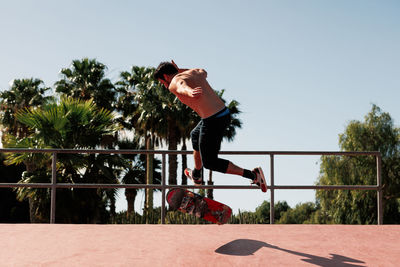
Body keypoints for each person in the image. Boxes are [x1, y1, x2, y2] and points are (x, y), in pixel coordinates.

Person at [154, 61, 267, 192]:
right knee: (194, 135)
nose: (163, 85)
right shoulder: (193, 73)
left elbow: (180, 85)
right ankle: (196, 174)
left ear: (165, 76)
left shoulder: (174, 82)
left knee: (210, 163)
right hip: (222, 113)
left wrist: (189, 91)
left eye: (162, 82)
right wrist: (180, 70)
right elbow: (203, 71)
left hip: (213, 120)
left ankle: (253, 175)